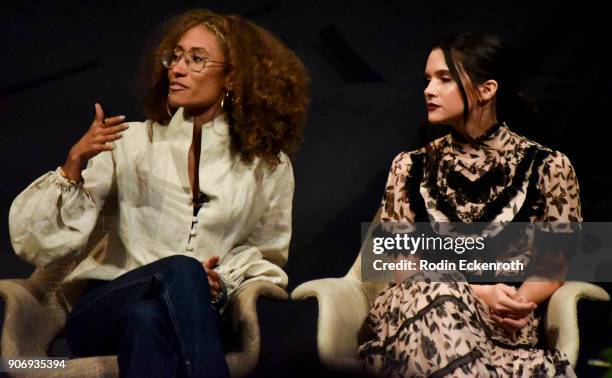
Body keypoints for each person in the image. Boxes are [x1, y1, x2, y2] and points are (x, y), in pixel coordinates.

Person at [8, 9, 309, 378]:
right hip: (103, 312)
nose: (178, 68)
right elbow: (36, 242)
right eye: (176, 56)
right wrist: (74, 164)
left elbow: (266, 253)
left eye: (196, 59)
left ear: (231, 77)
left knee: (147, 319)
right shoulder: (130, 143)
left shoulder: (267, 166)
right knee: (181, 271)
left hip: (188, 318)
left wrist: (221, 283)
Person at [358, 32, 580, 377]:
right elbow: (403, 267)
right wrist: (476, 292)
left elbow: (555, 264)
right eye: (427, 80)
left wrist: (513, 302)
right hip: (415, 312)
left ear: (486, 90)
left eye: (444, 79)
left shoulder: (550, 166)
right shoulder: (409, 166)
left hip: (500, 320)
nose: (428, 90)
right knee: (432, 302)